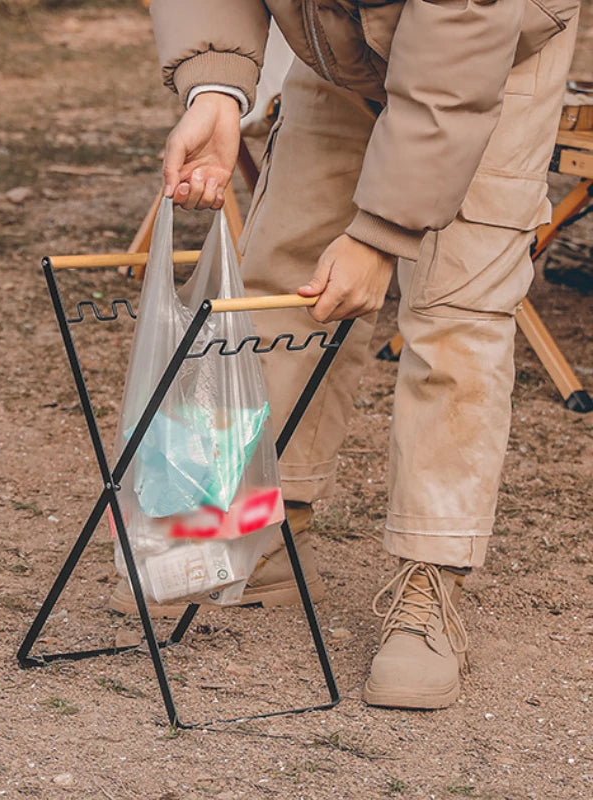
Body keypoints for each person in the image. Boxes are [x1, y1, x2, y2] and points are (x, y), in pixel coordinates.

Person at [112, 0, 580, 709]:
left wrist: (381, 232)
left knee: (457, 310)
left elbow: (456, 61)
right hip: (335, 45)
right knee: (283, 275)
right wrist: (215, 87)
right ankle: (260, 526)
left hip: (492, 52)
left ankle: (431, 579)